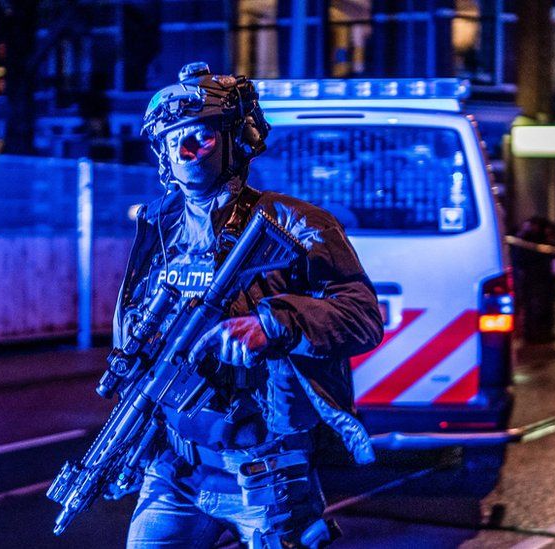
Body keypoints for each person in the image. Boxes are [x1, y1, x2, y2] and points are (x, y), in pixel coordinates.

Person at [117, 62, 383, 548]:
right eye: (171, 138)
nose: (184, 148)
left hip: (266, 475)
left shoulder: (294, 224)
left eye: (199, 134)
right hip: (174, 470)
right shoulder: (158, 229)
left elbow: (363, 315)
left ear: (235, 137)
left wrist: (274, 323)